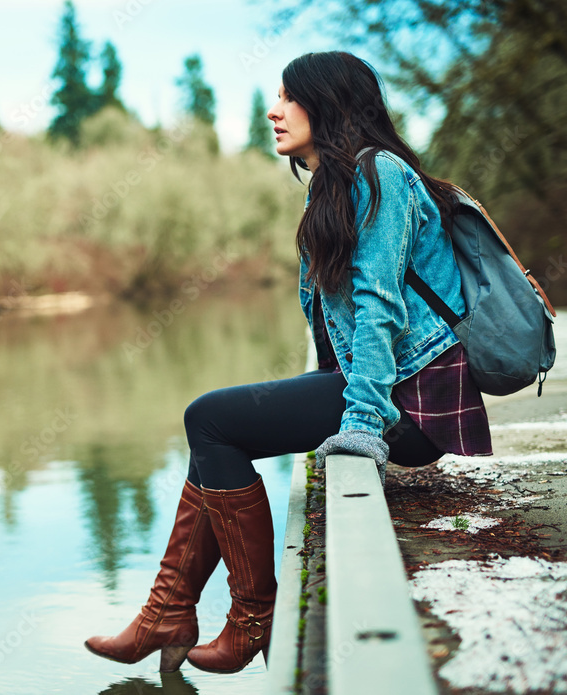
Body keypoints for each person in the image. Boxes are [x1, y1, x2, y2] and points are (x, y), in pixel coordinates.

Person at [84, 51, 492, 675]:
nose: (273, 111)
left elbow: (380, 309)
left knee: (211, 420)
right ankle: (168, 612)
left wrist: (361, 423)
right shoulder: (338, 185)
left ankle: (246, 618)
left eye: (288, 97)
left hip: (406, 402)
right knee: (214, 434)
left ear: (329, 103)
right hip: (380, 387)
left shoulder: (378, 175)